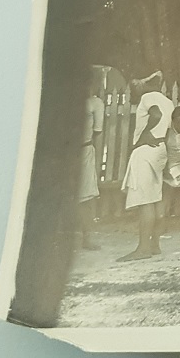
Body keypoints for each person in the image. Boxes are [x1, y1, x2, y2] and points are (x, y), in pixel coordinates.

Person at [118, 71, 175, 261]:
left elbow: (156, 115)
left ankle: (142, 249)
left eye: (137, 84)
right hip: (159, 148)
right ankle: (154, 245)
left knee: (145, 201)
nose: (135, 88)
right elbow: (167, 129)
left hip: (145, 151)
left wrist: (143, 138)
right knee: (156, 199)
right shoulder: (168, 101)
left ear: (146, 84)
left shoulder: (147, 97)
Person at [78, 90, 105, 250]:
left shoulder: (95, 103)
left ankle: (86, 238)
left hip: (84, 150)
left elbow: (97, 130)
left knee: (86, 197)